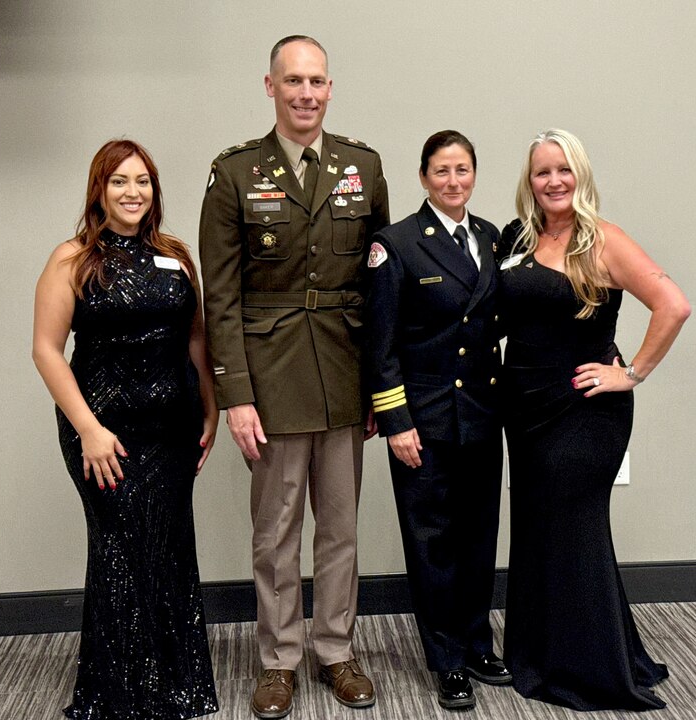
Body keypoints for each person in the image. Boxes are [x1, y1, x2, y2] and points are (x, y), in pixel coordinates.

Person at [199, 35, 389, 719]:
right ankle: (278, 660)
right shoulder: (236, 173)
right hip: (271, 377)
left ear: (330, 88)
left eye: (317, 81)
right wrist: (236, 396)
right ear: (270, 87)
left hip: (343, 371)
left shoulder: (362, 167)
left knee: (340, 528)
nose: (306, 93)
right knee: (276, 532)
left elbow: (381, 288)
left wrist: (380, 388)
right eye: (293, 81)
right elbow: (219, 296)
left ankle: (335, 650)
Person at [500, 128, 691, 711]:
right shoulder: (517, 237)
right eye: (542, 172)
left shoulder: (603, 241)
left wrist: (629, 372)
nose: (553, 181)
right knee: (537, 526)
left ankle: (588, 668)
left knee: (574, 527)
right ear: (528, 181)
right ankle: (539, 652)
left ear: (580, 176)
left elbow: (673, 304)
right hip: (524, 407)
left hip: (584, 412)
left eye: (564, 170)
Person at [32, 139, 219, 718]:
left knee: (167, 547)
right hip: (103, 431)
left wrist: (210, 406)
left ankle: (175, 687)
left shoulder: (175, 256)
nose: (132, 192)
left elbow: (195, 337)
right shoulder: (71, 259)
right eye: (119, 182)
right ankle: (118, 696)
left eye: (142, 181)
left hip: (173, 429)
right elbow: (46, 349)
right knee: (119, 549)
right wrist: (87, 427)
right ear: (99, 190)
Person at [363, 130, 509, 710]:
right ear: (423, 177)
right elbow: (380, 346)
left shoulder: (492, 239)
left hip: (480, 414)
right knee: (432, 544)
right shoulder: (395, 245)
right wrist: (396, 422)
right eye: (442, 171)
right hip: (423, 419)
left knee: (478, 537)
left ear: (474, 175)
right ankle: (446, 659)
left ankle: (476, 642)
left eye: (464, 170)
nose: (454, 182)